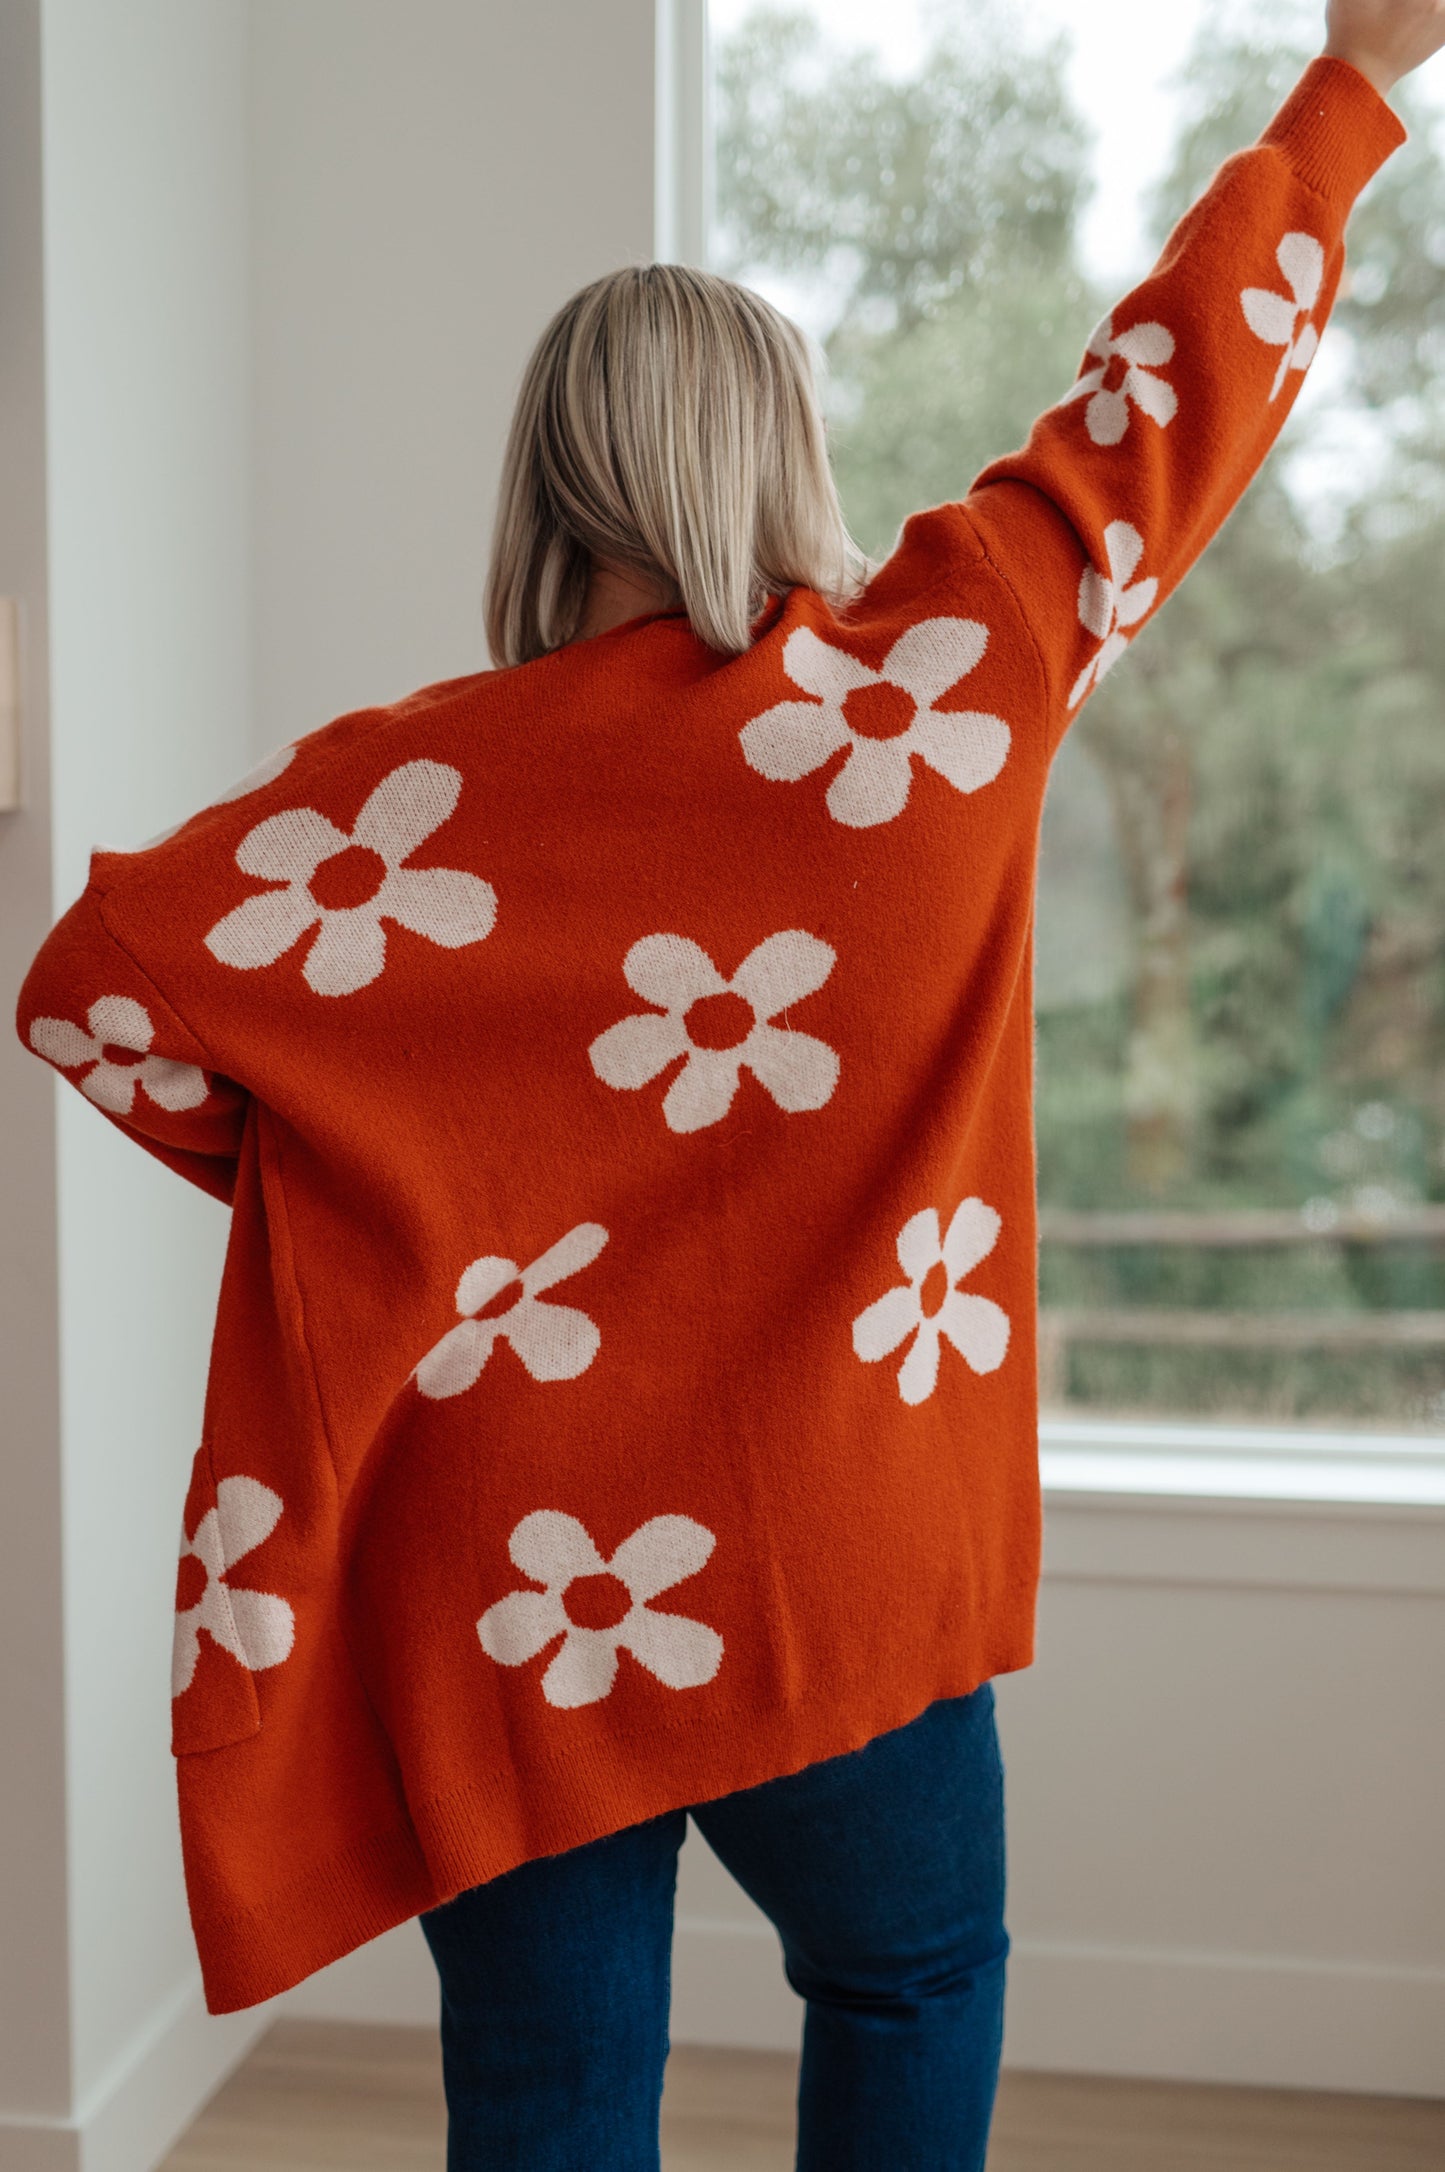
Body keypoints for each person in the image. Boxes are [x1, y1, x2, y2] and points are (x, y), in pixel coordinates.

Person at [14, 3, 1443, 2166]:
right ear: (776, 452)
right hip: (830, 1562)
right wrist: (1349, 94)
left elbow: (88, 986)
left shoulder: (409, 796)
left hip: (503, 1585)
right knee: (908, 1985)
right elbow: (1166, 407)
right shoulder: (931, 699)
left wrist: (393, 1176)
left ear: (546, 475)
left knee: (554, 2103)